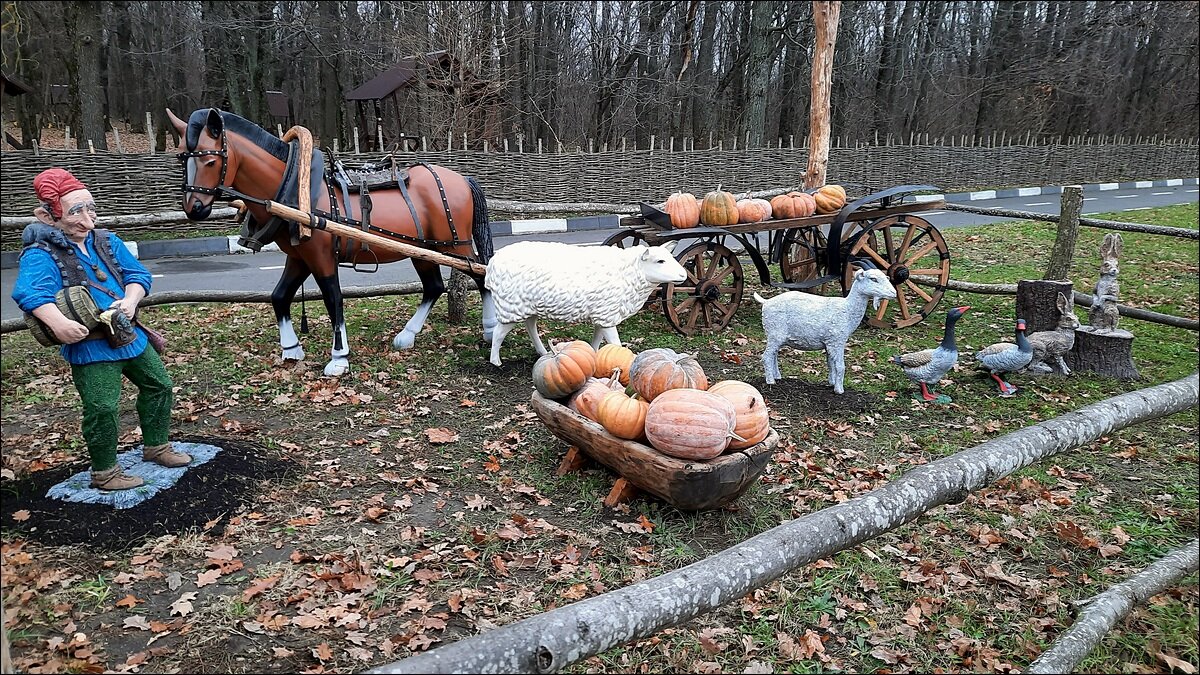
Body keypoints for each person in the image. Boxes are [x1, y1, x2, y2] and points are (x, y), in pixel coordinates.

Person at [12, 168, 190, 491]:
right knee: (102, 407)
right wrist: (60, 323)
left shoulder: (107, 241)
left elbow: (138, 275)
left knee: (159, 385)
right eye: (75, 211)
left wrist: (131, 301)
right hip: (91, 347)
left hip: (127, 335)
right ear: (48, 216)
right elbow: (30, 293)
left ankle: (157, 445)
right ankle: (105, 472)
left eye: (90, 208)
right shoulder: (42, 254)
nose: (87, 218)